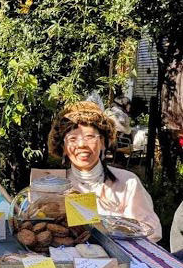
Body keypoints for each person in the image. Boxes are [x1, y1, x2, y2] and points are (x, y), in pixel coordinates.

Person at [47, 101, 162, 242]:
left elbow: (151, 230)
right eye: (72, 139)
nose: (82, 144)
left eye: (89, 137)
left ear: (103, 142)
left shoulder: (127, 183)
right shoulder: (53, 187)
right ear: (63, 147)